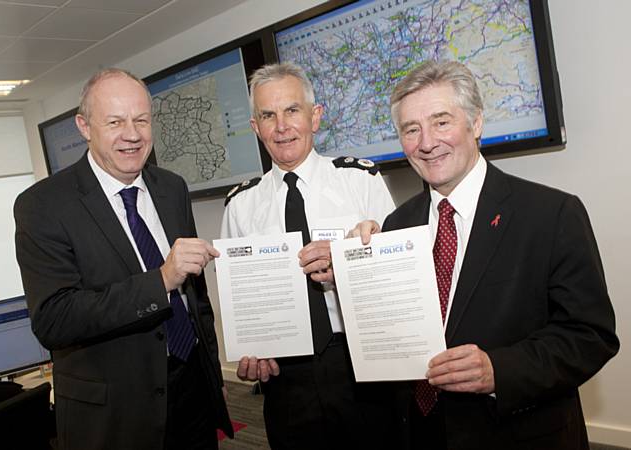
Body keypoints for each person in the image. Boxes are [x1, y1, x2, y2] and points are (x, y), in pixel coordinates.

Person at [351, 60, 619, 449]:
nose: (426, 142)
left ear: (475, 124)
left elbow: (591, 335)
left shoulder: (551, 214)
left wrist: (499, 370)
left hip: (515, 433)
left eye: (441, 121)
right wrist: (354, 266)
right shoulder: (395, 225)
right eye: (411, 129)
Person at [14, 68, 232, 450]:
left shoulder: (171, 188)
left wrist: (212, 376)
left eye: (141, 120)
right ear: (84, 126)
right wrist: (160, 280)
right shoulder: (43, 205)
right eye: (115, 121)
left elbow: (196, 301)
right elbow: (54, 319)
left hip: (191, 393)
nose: (132, 134)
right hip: (114, 412)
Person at [220, 62, 396, 450]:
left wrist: (347, 266)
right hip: (286, 378)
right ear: (255, 128)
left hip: (360, 364)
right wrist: (251, 351)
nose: (281, 126)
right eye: (268, 115)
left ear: (315, 117)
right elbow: (245, 301)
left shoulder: (359, 181)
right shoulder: (240, 206)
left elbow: (397, 279)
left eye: (292, 110)